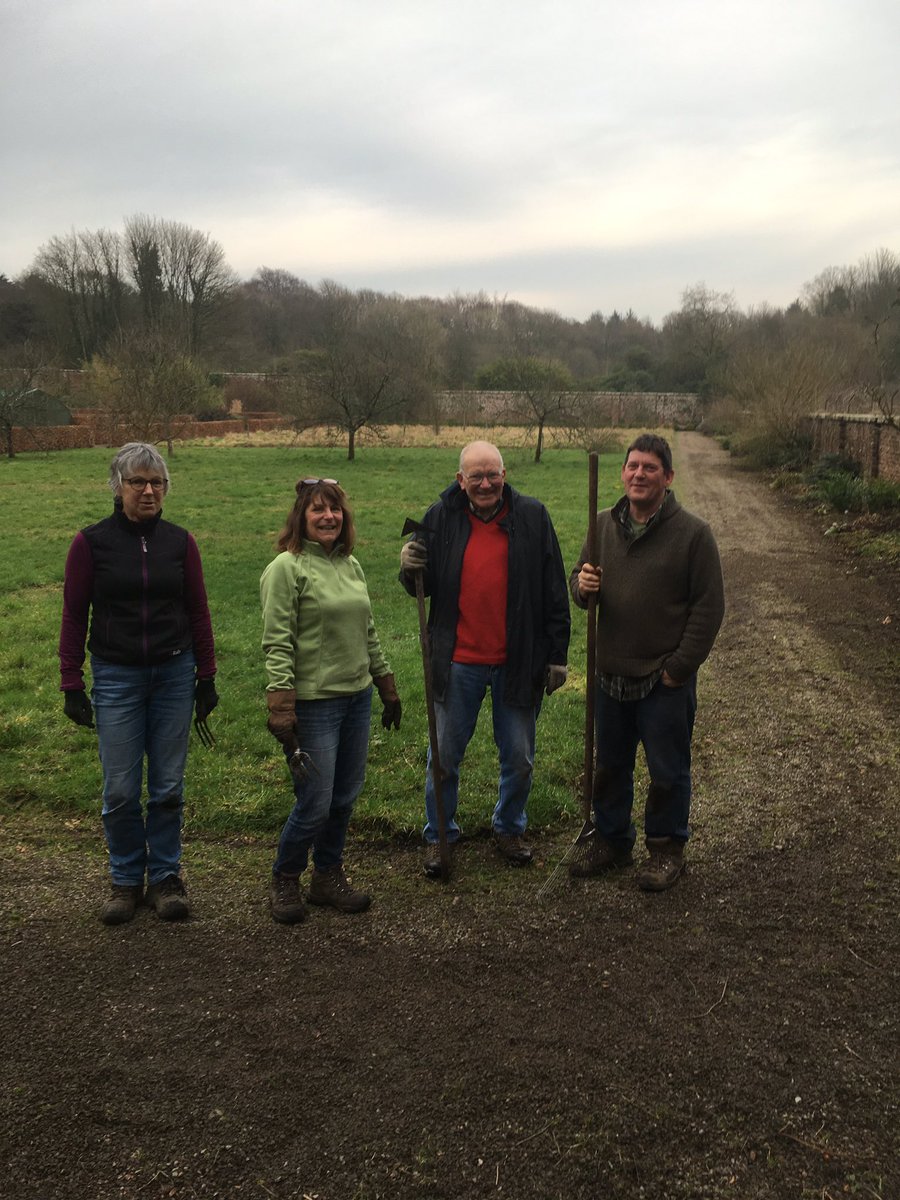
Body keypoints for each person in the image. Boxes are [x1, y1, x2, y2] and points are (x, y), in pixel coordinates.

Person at [59, 442, 218, 925]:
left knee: (168, 785)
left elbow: (198, 610)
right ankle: (126, 879)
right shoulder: (91, 544)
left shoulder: (179, 542)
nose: (148, 491)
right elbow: (73, 614)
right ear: (118, 487)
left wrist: (206, 676)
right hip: (116, 677)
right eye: (138, 482)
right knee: (121, 789)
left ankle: (166, 877)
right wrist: (71, 682)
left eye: (157, 483)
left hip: (173, 673)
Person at [400, 441, 570, 879]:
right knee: (443, 756)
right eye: (475, 476)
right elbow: (421, 584)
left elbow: (554, 588)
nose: (485, 483)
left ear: (505, 473)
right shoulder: (440, 517)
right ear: (461, 480)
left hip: (518, 661)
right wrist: (409, 565)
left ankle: (509, 828)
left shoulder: (532, 517)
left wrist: (557, 656)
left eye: (492, 473)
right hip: (457, 662)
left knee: (518, 756)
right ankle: (440, 835)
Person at [569, 433, 724, 892]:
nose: (639, 474)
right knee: (610, 765)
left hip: (663, 678)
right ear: (623, 473)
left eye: (650, 468)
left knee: (666, 770)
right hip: (609, 672)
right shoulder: (601, 524)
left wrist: (678, 669)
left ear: (668, 477)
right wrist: (583, 585)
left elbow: (709, 608)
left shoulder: (693, 534)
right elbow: (578, 583)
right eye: (632, 466)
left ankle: (665, 850)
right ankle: (613, 840)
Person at [261, 476, 401, 925]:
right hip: (314, 704)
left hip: (356, 698)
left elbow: (369, 630)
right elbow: (277, 640)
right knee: (315, 801)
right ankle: (285, 877)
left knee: (344, 797)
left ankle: (327, 876)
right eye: (318, 510)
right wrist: (281, 704)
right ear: (301, 518)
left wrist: (386, 684)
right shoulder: (287, 567)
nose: (328, 517)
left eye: (335, 510)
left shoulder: (350, 565)